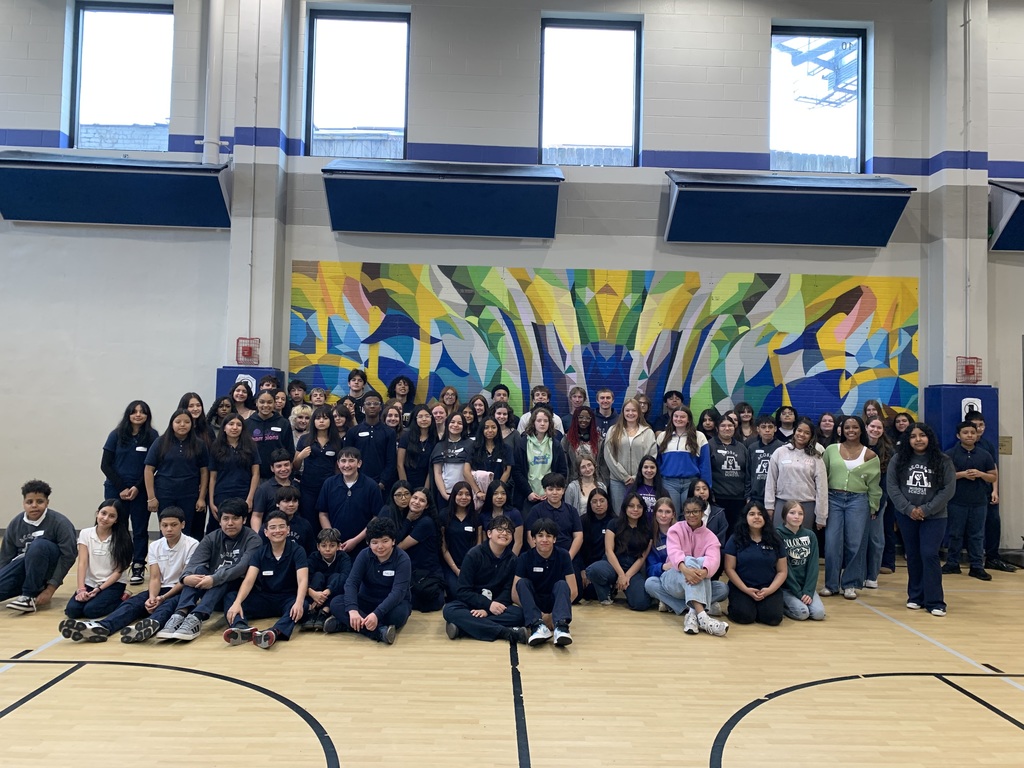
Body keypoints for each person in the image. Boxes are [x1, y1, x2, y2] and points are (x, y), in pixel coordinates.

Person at [67, 507, 200, 644]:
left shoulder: (192, 545)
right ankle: (103, 627)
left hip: (182, 590)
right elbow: (155, 577)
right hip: (160, 588)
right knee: (132, 603)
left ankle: (148, 626)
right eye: (164, 525)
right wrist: (153, 597)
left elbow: (185, 579)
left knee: (168, 606)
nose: (169, 529)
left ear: (182, 525)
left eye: (174, 525)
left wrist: (162, 597)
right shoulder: (155, 545)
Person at [153, 498, 261, 641]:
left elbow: (242, 568)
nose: (230, 523)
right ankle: (180, 614)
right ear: (219, 520)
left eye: (235, 519)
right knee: (198, 570)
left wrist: (214, 578)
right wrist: (186, 577)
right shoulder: (211, 537)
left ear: (244, 520)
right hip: (210, 590)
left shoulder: (253, 539)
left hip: (239, 588)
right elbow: (194, 563)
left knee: (224, 574)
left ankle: (196, 617)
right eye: (226, 518)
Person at [887, 423, 957, 617]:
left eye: (922, 435)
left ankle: (935, 601)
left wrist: (926, 510)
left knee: (929, 554)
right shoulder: (898, 459)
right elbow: (892, 487)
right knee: (914, 555)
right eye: (913, 436)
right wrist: (909, 509)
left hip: (934, 517)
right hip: (906, 515)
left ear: (930, 438)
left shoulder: (943, 460)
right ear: (908, 440)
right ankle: (915, 596)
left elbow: (948, 490)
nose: (918, 439)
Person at [223, 510, 309, 649]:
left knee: (303, 604)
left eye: (281, 527)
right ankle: (240, 628)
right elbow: (249, 580)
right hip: (265, 598)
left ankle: (274, 632)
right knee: (231, 597)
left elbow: (302, 579)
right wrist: (238, 602)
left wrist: (298, 602)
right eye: (273, 527)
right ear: (266, 532)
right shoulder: (259, 553)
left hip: (287, 599)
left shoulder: (297, 551)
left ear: (288, 529)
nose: (277, 531)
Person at [645, 496, 730, 636]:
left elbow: (714, 559)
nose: (691, 515)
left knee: (722, 588)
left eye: (695, 511)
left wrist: (703, 572)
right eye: (688, 512)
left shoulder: (710, 536)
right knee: (650, 583)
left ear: (702, 513)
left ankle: (691, 613)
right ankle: (703, 616)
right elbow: (674, 552)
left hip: (697, 579)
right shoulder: (675, 529)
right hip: (675, 577)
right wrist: (685, 569)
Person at [324, 516, 412, 644]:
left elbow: (398, 592)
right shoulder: (364, 555)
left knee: (399, 615)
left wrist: (376, 614)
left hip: (392, 604)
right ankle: (380, 632)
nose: (380, 547)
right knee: (336, 603)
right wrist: (353, 610)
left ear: (393, 541)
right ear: (368, 543)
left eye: (385, 541)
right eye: (375, 542)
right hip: (366, 600)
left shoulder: (403, 559)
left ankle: (347, 625)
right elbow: (351, 583)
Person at [821, 416, 881, 600]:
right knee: (832, 543)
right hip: (834, 499)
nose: (851, 430)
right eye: (847, 427)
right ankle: (831, 584)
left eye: (855, 427)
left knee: (855, 543)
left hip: (858, 501)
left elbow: (874, 485)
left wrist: (873, 506)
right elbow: (822, 477)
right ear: (841, 430)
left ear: (861, 430)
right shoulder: (831, 450)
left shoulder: (870, 455)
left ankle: (850, 584)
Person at [443, 515, 527, 642]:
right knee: (449, 610)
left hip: (496, 605)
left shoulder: (513, 560)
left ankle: (463, 628)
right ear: (489, 533)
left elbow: (507, 591)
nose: (504, 533)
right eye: (500, 529)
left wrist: (487, 610)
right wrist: (487, 605)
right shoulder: (474, 554)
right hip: (471, 605)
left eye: (509, 531)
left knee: (519, 615)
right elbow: (463, 591)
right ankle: (505, 632)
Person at [101, 400, 159, 585]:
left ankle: (138, 565)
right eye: (134, 412)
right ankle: (119, 564)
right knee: (119, 528)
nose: (138, 415)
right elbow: (105, 465)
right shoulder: (116, 435)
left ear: (147, 415)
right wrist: (122, 488)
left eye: (142, 412)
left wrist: (137, 487)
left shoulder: (152, 436)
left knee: (140, 529)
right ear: (128, 414)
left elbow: (153, 466)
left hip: (139, 490)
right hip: (115, 489)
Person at [0, 480, 76, 612]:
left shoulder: (60, 523)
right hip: (22, 570)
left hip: (46, 572)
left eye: (39, 501)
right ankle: (27, 591)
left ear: (47, 502)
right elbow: (5, 558)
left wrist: (50, 589)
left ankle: (28, 596)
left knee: (39, 545)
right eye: (29, 502)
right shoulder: (15, 524)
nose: (34, 506)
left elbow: (68, 557)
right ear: (23, 503)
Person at [942, 420, 996, 581]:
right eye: (965, 433)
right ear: (959, 435)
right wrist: (962, 475)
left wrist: (980, 474)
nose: (970, 435)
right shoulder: (950, 454)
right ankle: (952, 563)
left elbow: (993, 475)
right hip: (956, 501)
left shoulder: (985, 454)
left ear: (977, 434)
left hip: (979, 502)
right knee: (955, 534)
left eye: (972, 432)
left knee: (977, 535)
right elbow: (944, 477)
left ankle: (977, 566)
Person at [144, 409, 210, 541]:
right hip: (165, 493)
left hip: (189, 495)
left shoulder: (199, 444)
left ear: (192, 424)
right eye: (178, 421)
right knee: (167, 528)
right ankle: (165, 559)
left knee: (186, 529)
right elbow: (149, 469)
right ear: (171, 423)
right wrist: (151, 497)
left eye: (187, 422)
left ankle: (185, 561)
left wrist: (202, 497)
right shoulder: (160, 442)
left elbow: (204, 472)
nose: (182, 425)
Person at [61, 499, 132, 620]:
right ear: (97, 513)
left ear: (116, 520)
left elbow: (118, 572)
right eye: (103, 513)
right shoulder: (85, 533)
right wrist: (81, 589)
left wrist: (99, 589)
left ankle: (123, 598)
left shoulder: (122, 539)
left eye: (111, 516)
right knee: (72, 611)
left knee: (91, 611)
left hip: (113, 584)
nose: (105, 518)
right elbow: (82, 563)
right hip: (90, 582)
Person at [965, 411, 1016, 573]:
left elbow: (994, 469)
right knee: (971, 529)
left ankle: (993, 557)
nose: (978, 429)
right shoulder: (962, 446)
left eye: (981, 425)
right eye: (975, 425)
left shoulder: (987, 445)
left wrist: (995, 490)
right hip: (969, 494)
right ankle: (971, 559)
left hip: (987, 492)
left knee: (993, 522)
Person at [722, 501, 787, 626]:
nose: (756, 517)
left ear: (765, 518)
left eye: (760, 514)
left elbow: (782, 571)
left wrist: (769, 590)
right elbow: (729, 568)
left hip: (768, 588)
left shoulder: (776, 539)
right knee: (744, 617)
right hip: (742, 587)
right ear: (745, 518)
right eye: (752, 514)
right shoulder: (735, 538)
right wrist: (745, 589)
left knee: (773, 619)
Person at [513, 518, 576, 647]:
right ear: (534, 539)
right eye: (540, 536)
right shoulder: (525, 558)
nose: (544, 540)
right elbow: (514, 594)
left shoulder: (563, 555)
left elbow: (573, 590)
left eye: (549, 536)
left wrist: (553, 616)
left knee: (562, 584)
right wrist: (541, 616)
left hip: (555, 603)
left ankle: (561, 627)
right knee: (522, 583)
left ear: (554, 539)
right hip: (534, 603)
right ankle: (537, 626)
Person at [584, 493, 653, 610]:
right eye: (631, 506)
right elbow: (608, 550)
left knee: (641, 603)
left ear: (643, 509)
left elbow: (642, 557)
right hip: (611, 564)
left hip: (632, 569)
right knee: (593, 570)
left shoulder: (647, 529)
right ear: (625, 507)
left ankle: (623, 587)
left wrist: (626, 576)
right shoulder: (614, 523)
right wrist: (620, 574)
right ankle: (606, 595)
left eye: (639, 506)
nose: (635, 509)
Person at [316, 448, 383, 554]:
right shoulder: (329, 484)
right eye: (343, 461)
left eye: (351, 461)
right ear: (338, 464)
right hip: (335, 547)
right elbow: (323, 514)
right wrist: (333, 539)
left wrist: (355, 540)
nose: (347, 465)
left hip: (362, 545)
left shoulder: (371, 486)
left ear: (359, 463)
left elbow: (376, 517)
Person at [764, 417, 828, 528]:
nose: (802, 434)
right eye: (799, 430)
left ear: (811, 436)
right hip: (782, 503)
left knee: (802, 541)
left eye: (807, 433)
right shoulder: (780, 452)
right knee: (779, 540)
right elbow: (771, 481)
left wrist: (821, 516)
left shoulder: (816, 457)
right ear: (794, 432)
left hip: (807, 505)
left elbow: (822, 488)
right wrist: (769, 506)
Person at [394, 487, 445, 612]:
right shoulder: (408, 517)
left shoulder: (425, 522)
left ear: (427, 506)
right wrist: (408, 520)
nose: (416, 502)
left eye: (422, 501)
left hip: (426, 571)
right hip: (413, 569)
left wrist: (407, 520)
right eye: (415, 498)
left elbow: (399, 546)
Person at [603, 398, 657, 512]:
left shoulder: (648, 432)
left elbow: (651, 457)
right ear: (623, 412)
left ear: (639, 412)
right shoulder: (613, 430)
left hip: (640, 480)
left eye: (634, 410)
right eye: (627, 410)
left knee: (638, 512)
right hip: (618, 480)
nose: (630, 413)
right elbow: (608, 455)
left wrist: (637, 477)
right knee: (620, 513)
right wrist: (624, 476)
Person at [208, 414, 261, 531]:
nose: (235, 427)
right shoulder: (216, 447)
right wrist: (211, 502)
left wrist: (250, 498)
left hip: (244, 493)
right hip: (221, 494)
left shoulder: (251, 446)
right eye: (231, 424)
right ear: (224, 428)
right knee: (220, 528)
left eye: (239, 425)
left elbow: (256, 474)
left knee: (242, 528)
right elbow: (212, 477)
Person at [293, 406, 343, 528]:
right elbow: (295, 466)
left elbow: (339, 467)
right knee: (309, 520)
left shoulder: (337, 441)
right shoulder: (305, 439)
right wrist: (300, 457)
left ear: (330, 421)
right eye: (318, 418)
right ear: (313, 421)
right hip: (308, 487)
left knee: (329, 518)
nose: (321, 421)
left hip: (330, 487)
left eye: (325, 418)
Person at [513, 407, 568, 514]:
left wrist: (552, 492)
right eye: (539, 421)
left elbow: (562, 471)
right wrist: (528, 492)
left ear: (550, 423)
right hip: (527, 496)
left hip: (549, 496)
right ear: (533, 423)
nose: (542, 424)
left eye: (546, 421)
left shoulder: (555, 444)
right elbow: (516, 471)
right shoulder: (522, 443)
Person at [777, 501, 826, 621]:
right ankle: (781, 604)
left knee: (819, 614)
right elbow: (785, 567)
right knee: (803, 613)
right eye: (792, 513)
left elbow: (813, 566)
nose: (796, 516)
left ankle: (805, 598)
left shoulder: (810, 535)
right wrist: (799, 593)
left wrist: (808, 592)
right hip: (788, 588)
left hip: (806, 587)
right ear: (784, 515)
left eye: (800, 513)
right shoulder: (778, 534)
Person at [656, 406, 710, 512]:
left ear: (688, 419)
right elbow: (658, 462)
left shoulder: (699, 436)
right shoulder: (663, 436)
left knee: (691, 514)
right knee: (671, 515)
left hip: (691, 483)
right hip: (668, 483)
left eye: (682, 417)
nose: (679, 419)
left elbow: (705, 464)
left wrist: (706, 487)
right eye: (676, 416)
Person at [300, 527, 352, 631]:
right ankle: (312, 611)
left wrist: (328, 591)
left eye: (332, 546)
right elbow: (304, 578)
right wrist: (312, 593)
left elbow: (345, 576)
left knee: (337, 577)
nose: (327, 549)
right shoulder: (313, 557)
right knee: (318, 575)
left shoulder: (344, 557)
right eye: (324, 546)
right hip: (315, 593)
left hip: (332, 593)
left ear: (338, 546)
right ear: (318, 546)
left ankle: (324, 612)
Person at [343, 392, 397, 491]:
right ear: (363, 408)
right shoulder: (353, 432)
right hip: (357, 482)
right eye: (368, 404)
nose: (372, 406)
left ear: (381, 407)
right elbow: (348, 458)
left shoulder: (389, 433)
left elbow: (391, 461)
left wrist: (383, 482)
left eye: (376, 404)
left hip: (381, 484)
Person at [864, 416, 896, 584]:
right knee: (858, 539)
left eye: (879, 428)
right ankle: (859, 573)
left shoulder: (888, 451)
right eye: (872, 427)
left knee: (876, 538)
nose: (875, 430)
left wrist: (877, 505)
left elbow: (886, 482)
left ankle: (872, 575)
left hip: (878, 500)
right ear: (866, 427)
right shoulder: (857, 447)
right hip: (857, 498)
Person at [708, 414, 750, 532]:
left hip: (738, 499)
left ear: (735, 427)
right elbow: (706, 471)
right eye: (723, 426)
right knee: (718, 530)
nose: (727, 428)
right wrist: (710, 494)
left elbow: (747, 473)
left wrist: (747, 495)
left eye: (730, 425)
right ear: (717, 428)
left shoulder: (741, 447)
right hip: (718, 498)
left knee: (736, 530)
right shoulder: (710, 445)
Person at [441, 482, 482, 599]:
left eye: (467, 494)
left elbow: (479, 545)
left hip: (471, 565)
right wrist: (455, 569)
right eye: (460, 494)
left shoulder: (476, 517)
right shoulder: (444, 515)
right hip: (451, 565)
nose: (464, 497)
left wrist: (469, 568)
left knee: (476, 592)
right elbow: (443, 548)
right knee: (456, 593)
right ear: (453, 496)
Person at [247, 389, 295, 480]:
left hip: (278, 476)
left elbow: (290, 450)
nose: (265, 405)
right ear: (256, 403)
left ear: (274, 404)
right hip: (253, 476)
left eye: (269, 402)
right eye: (262, 402)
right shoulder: (247, 424)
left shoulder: (283, 423)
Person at [430, 411, 474, 511]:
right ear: (447, 424)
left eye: (459, 423)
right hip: (446, 493)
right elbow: (437, 473)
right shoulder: (439, 446)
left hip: (466, 495)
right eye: (452, 422)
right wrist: (444, 494)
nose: (455, 425)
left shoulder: (471, 444)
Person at [251, 448, 298, 531]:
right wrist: (258, 539)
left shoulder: (297, 486)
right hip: (272, 533)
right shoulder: (263, 489)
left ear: (291, 465)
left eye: (286, 465)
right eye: (279, 466)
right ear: (272, 468)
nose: (283, 469)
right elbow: (257, 516)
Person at [578, 488, 614, 599]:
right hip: (586, 565)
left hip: (607, 565)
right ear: (590, 504)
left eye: (602, 501)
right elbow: (578, 549)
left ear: (608, 502)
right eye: (594, 501)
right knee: (584, 593)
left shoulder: (615, 521)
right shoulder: (582, 521)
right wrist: (582, 569)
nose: (598, 504)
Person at [469, 416, 512, 502]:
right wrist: (477, 492)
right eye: (486, 427)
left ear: (498, 429)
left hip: (498, 495)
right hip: (478, 493)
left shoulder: (506, 448)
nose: (490, 430)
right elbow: (466, 471)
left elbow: (507, 471)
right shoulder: (474, 447)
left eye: (493, 427)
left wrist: (497, 491)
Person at [747, 414, 785, 511]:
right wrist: (747, 496)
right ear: (758, 429)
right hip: (756, 496)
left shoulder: (782, 448)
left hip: (776, 497)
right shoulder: (752, 448)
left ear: (775, 429)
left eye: (770, 427)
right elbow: (748, 474)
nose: (767, 430)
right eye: (763, 427)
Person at [266, 485, 316, 554]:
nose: (291, 504)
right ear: (277, 503)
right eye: (286, 501)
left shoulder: (305, 525)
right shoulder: (269, 524)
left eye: (295, 501)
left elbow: (312, 551)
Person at [480, 479, 524, 556]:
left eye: (503, 493)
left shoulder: (515, 514)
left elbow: (518, 542)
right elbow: (484, 542)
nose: (500, 497)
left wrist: (510, 561)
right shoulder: (484, 515)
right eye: (495, 493)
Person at [397, 404, 437, 490]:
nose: (424, 419)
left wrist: (425, 490)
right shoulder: (406, 436)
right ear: (415, 419)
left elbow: (432, 467)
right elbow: (400, 464)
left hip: (427, 480)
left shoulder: (435, 438)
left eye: (427, 416)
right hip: (407, 479)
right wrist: (405, 486)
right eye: (420, 416)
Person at [561, 405, 604, 483]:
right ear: (575, 419)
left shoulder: (599, 440)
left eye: (588, 418)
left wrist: (602, 482)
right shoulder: (567, 439)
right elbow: (564, 464)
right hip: (574, 481)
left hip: (595, 481)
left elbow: (603, 464)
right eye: (580, 417)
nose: (584, 420)